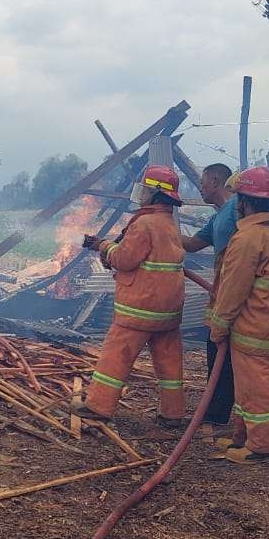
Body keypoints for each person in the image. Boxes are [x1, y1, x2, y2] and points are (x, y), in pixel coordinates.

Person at [182, 164, 269, 442]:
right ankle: (247, 431)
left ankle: (263, 442)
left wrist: (219, 323)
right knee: (257, 378)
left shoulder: (246, 236)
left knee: (256, 386)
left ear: (245, 201)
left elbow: (234, 285)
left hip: (251, 322)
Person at [80, 164, 188, 425]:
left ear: (155, 193)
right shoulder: (169, 223)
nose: (142, 194)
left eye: (146, 189)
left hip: (139, 309)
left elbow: (125, 259)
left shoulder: (144, 224)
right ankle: (173, 414)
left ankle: (98, 406)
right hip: (169, 311)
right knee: (169, 363)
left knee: (116, 356)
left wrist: (104, 247)